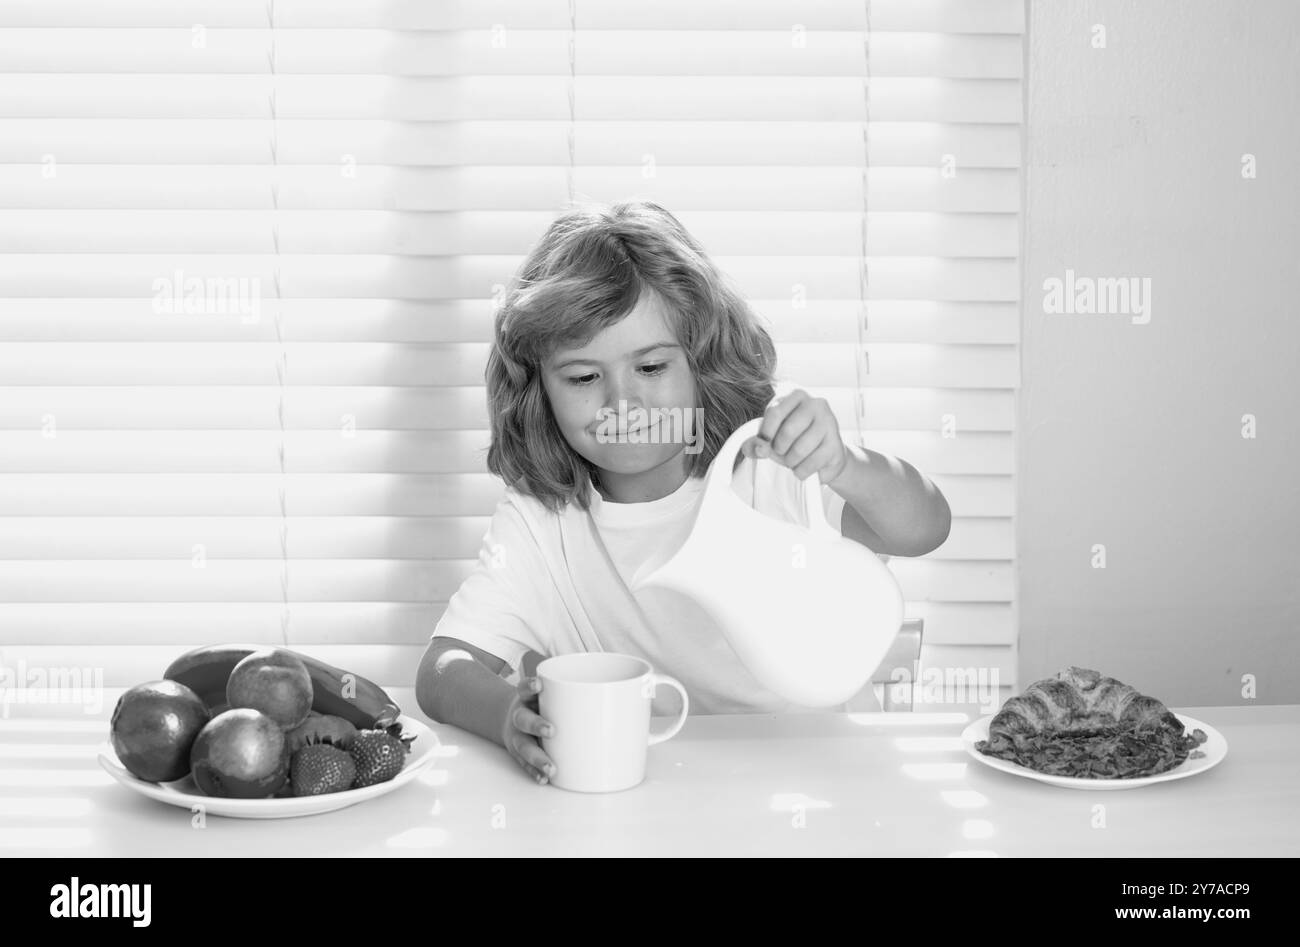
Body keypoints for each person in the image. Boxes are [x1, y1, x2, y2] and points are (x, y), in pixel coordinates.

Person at [416, 200, 951, 785]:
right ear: (538, 390)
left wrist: (845, 464)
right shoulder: (542, 524)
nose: (624, 404)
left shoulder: (769, 463)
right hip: (652, 800)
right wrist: (504, 714)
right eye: (584, 377)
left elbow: (925, 528)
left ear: (701, 360)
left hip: (822, 788)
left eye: (650, 368)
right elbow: (443, 670)